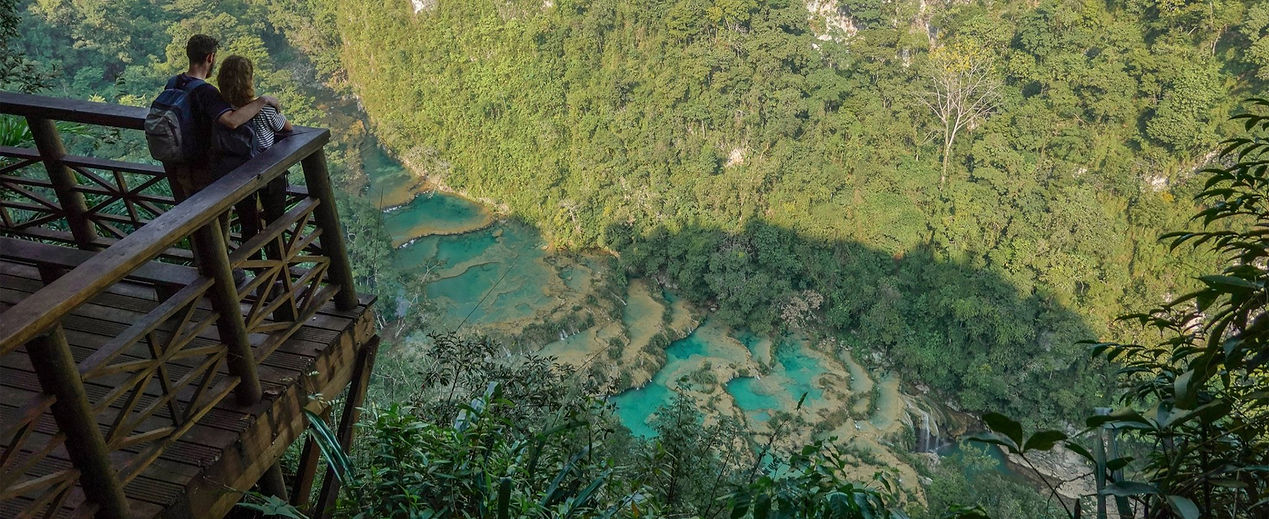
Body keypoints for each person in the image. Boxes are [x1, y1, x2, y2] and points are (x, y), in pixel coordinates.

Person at [164, 34, 279, 201]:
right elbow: (232, 121)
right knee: (215, 220)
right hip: (202, 168)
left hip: (177, 165)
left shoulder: (173, 82)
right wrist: (263, 100)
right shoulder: (206, 92)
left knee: (191, 217)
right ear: (210, 57)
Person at [211, 54, 293, 242]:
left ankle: (252, 264)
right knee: (275, 223)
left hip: (239, 175)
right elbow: (288, 128)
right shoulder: (265, 109)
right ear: (249, 80)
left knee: (248, 225)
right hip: (268, 173)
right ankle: (276, 265)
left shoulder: (224, 112)